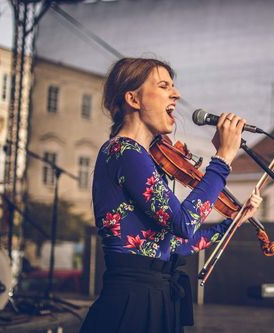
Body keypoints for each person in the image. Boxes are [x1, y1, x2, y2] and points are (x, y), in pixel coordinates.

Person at [79, 58, 262, 333]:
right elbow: (184, 223)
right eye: (164, 86)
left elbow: (177, 245)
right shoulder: (123, 151)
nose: (176, 94)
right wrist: (222, 159)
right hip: (132, 302)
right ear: (133, 99)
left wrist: (233, 221)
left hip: (155, 294)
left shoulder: (143, 158)